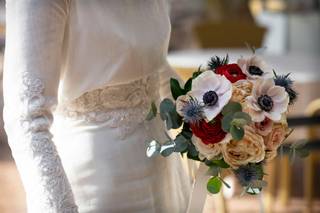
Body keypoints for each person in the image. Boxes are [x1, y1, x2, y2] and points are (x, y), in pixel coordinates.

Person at [3, 0, 191, 212]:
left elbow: (150, 66)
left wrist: (205, 113)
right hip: (94, 186)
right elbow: (26, 117)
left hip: (166, 177)